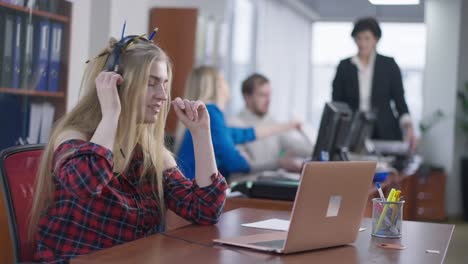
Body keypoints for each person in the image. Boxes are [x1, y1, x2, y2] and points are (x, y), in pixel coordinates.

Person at [29, 36, 227, 263]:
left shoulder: (150, 153)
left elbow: (206, 209)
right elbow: (85, 186)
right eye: (151, 83)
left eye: (163, 84)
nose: (162, 95)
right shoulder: (75, 137)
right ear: (117, 86)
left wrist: (201, 133)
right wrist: (111, 113)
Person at [176, 66, 301, 180]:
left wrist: (289, 125)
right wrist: (244, 160)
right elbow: (234, 163)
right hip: (195, 189)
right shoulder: (211, 113)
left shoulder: (206, 115)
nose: (227, 85)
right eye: (223, 80)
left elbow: (244, 133)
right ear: (217, 86)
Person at [332, 17, 417, 152]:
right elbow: (337, 102)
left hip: (385, 130)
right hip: (353, 131)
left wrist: (408, 127)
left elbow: (399, 100)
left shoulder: (389, 65)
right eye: (358, 38)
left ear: (376, 40)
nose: (362, 43)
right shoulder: (344, 67)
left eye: (367, 38)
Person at [229, 73, 314, 173]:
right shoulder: (235, 125)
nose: (269, 100)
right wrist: (279, 163)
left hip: (272, 181)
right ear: (247, 97)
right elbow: (243, 166)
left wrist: (303, 130)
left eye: (269, 95)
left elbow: (305, 149)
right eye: (262, 95)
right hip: (249, 184)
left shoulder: (271, 122)